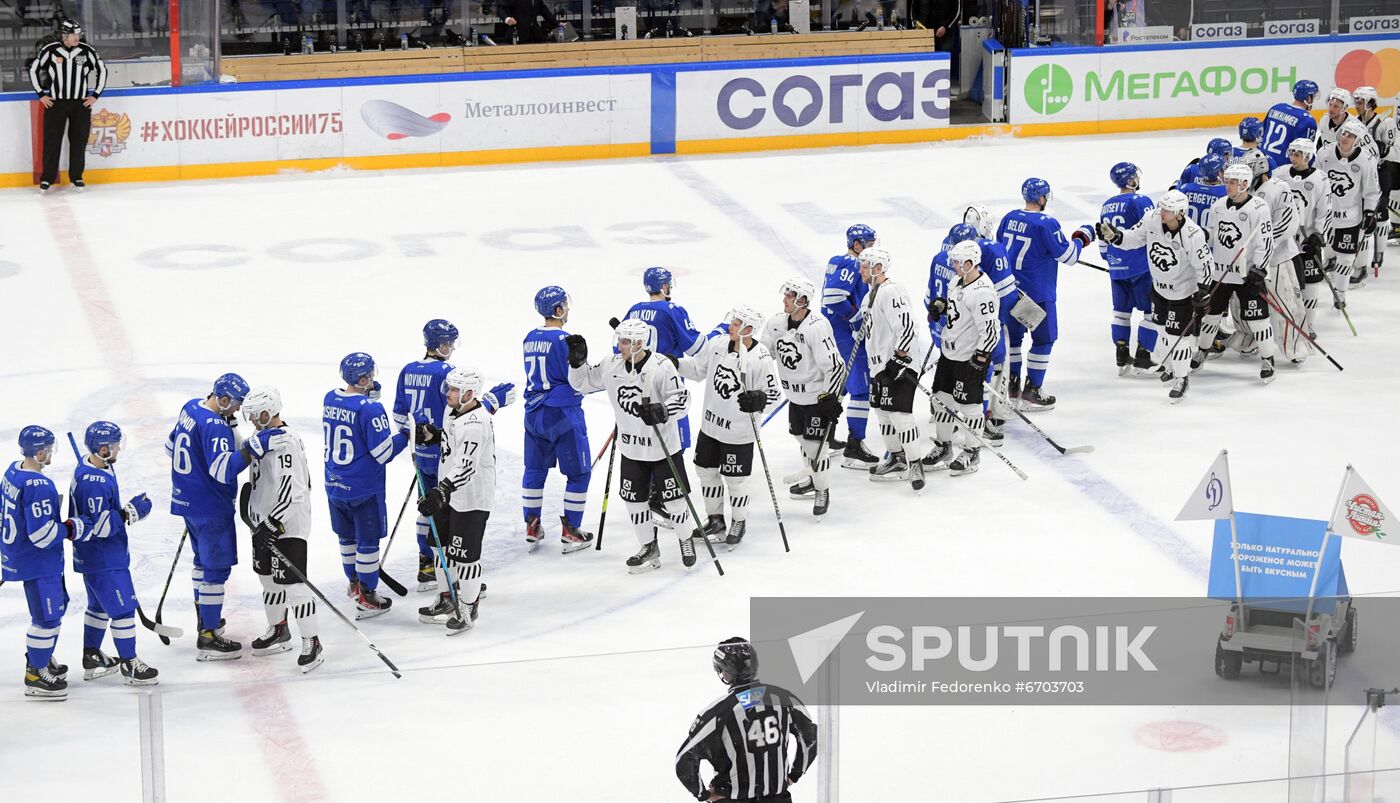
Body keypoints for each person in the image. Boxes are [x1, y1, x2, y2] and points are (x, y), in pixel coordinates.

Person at [568, 319, 699, 573]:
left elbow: (682, 400)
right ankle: (649, 546)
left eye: (625, 342)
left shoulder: (661, 367)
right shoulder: (611, 365)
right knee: (635, 503)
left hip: (663, 450)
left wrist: (663, 410)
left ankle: (685, 539)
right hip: (631, 449)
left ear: (640, 343)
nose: (620, 346)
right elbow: (583, 383)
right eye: (619, 341)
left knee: (674, 503)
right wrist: (576, 364)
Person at [167, 372, 274, 661]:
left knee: (202, 564)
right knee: (216, 571)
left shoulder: (191, 407)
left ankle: (205, 619)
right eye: (236, 404)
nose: (238, 409)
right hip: (211, 508)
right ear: (223, 399)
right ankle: (209, 634)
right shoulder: (215, 426)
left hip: (187, 502)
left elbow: (170, 445)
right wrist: (250, 449)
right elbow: (222, 471)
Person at [678, 305, 781, 550]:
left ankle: (739, 521)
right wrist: (675, 363)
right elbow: (698, 370)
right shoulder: (718, 345)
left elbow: (774, 395)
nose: (730, 326)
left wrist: (759, 399)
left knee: (736, 479)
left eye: (736, 323)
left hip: (739, 431)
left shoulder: (761, 357)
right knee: (706, 471)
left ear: (748, 329)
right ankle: (715, 521)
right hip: (710, 426)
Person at [1096, 190, 1211, 402]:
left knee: (1179, 338)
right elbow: (1133, 238)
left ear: (1179, 213)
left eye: (1167, 210)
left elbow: (1205, 266)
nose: (1162, 212)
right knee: (1162, 332)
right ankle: (1170, 366)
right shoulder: (1152, 219)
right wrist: (1116, 237)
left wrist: (1203, 291)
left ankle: (1182, 379)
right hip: (1159, 289)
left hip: (1182, 294)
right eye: (1162, 207)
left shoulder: (1193, 235)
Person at [240, 387, 324, 674]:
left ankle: (312, 642)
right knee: (267, 579)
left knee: (295, 587)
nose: (250, 420)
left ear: (267, 413)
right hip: (264, 523)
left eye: (253, 415)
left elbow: (294, 492)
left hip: (287, 525)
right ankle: (279, 630)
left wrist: (273, 522)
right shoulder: (266, 438)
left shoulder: (285, 443)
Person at [674, 637, 818, 803]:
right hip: (778, 799)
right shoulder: (785, 698)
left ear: (726, 673)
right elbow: (811, 739)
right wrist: (794, 774)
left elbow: (684, 760)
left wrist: (703, 794)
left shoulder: (720, 711)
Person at [69, 422, 159, 686]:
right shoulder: (93, 481)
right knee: (122, 611)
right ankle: (129, 664)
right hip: (103, 557)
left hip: (92, 556)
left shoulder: (96, 467)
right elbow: (100, 527)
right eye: (116, 444)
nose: (120, 447)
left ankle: (92, 656)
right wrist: (130, 512)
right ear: (103, 448)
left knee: (98, 606)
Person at [323, 353, 409, 619]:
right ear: (362, 379)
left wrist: (367, 399)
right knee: (368, 542)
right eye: (370, 375)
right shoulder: (370, 409)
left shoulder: (330, 397)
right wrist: (406, 436)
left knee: (347, 538)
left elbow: (352, 416)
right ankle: (367, 595)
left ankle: (354, 583)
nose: (373, 378)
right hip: (363, 488)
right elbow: (383, 452)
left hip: (335, 485)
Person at [997, 177, 1094, 411]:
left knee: (1014, 341)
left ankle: (1011, 387)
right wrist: (1083, 238)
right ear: (1041, 198)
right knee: (1044, 340)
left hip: (1009, 291)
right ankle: (1032, 390)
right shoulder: (1046, 223)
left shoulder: (1009, 217)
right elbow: (1069, 256)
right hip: (1037, 294)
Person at [1, 427, 84, 699]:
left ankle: (42, 656)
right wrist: (71, 528)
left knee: (56, 608)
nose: (50, 453)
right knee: (47, 618)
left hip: (20, 555)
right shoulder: (40, 486)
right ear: (38, 453)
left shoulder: (12, 472)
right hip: (38, 562)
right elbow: (42, 534)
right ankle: (35, 673)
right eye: (48, 448)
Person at [416, 368, 500, 634]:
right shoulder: (454, 411)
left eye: (453, 390)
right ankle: (446, 598)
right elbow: (452, 439)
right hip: (450, 494)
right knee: (440, 547)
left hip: (471, 498)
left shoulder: (476, 423)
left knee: (465, 557)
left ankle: (468, 605)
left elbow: (466, 466)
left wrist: (441, 491)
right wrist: (433, 435)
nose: (448, 394)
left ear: (469, 393)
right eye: (449, 388)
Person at [761, 278, 844, 517]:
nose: (784, 299)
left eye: (790, 295)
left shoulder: (816, 327)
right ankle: (813, 476)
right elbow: (764, 353)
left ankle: (822, 489)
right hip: (794, 397)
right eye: (786, 294)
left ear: (803, 300)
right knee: (800, 436)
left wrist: (830, 398)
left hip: (816, 398)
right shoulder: (776, 323)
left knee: (816, 447)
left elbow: (835, 366)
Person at [523, 287, 594, 553]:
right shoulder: (566, 339)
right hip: (562, 412)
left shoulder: (529, 338)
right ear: (558, 309)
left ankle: (531, 524)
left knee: (534, 470)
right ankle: (572, 531)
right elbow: (579, 379)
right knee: (579, 473)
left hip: (533, 413)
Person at [857, 247, 931, 490]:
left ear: (878, 268)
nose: (861, 270)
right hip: (879, 365)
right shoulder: (870, 296)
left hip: (898, 364)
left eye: (865, 265)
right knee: (882, 412)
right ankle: (897, 457)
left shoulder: (890, 290)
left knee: (900, 416)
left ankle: (915, 462)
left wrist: (899, 359)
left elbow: (908, 326)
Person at [392, 319, 458, 591]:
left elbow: (398, 414)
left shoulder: (407, 370)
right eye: (447, 343)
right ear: (437, 345)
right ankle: (448, 570)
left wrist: (416, 437)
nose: (451, 348)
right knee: (446, 509)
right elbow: (456, 414)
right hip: (441, 454)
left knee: (425, 507)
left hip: (419, 454)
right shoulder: (447, 372)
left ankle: (426, 566)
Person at [1196, 163, 1277, 384]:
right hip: (1220, 273)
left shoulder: (1259, 207)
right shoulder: (1219, 205)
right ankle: (1202, 351)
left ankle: (1268, 358)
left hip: (1247, 274)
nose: (1227, 186)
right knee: (1211, 316)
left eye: (1232, 182)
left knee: (1258, 319)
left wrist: (1259, 269)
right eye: (1227, 181)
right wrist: (1202, 235)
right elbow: (1213, 234)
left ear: (1245, 184)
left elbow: (1265, 241)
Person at [925, 240, 1000, 475]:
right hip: (949, 354)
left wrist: (979, 359)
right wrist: (942, 306)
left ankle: (971, 451)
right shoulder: (957, 281)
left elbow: (990, 330)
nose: (954, 266)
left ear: (970, 263)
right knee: (940, 400)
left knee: (970, 407)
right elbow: (957, 308)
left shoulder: (983, 292)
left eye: (957, 262)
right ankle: (944, 446)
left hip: (968, 356)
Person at [942, 220, 1020, 446]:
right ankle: (981, 420)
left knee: (963, 383)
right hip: (968, 333)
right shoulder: (976, 268)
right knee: (981, 377)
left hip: (954, 332)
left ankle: (964, 423)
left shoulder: (945, 260)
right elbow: (1002, 305)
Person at [820, 225, 879, 469]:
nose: (873, 248)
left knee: (837, 386)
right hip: (846, 336)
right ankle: (854, 444)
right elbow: (834, 297)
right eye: (869, 243)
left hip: (831, 333)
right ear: (857, 245)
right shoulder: (853, 264)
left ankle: (824, 436)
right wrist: (856, 320)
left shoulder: (837, 260)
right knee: (861, 390)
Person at [27, 19, 107, 193]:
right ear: (64, 35)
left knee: (78, 142)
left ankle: (77, 177)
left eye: (78, 34)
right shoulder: (50, 50)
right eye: (73, 34)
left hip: (80, 104)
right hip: (56, 104)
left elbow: (102, 69)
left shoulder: (86, 51)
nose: (77, 37)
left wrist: (95, 95)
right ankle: (47, 179)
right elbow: (33, 69)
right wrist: (41, 94)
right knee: (51, 142)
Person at [1243, 149, 1306, 363]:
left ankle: (1294, 346)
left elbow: (1289, 223)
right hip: (1251, 260)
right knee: (1246, 305)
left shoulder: (1279, 188)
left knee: (1287, 302)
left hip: (1277, 258)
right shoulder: (1247, 193)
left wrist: (1264, 246)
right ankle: (1248, 340)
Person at [1099, 161, 1158, 376]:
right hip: (1141, 265)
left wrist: (1110, 259)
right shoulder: (1140, 201)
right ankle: (1144, 355)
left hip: (1116, 266)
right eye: (1135, 176)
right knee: (1151, 312)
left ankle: (1121, 354)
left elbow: (1102, 237)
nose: (1138, 179)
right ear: (1130, 180)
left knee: (1121, 313)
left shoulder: (1106, 204)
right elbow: (1153, 230)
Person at [1315, 119, 1381, 307]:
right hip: (1325, 215)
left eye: (1350, 136)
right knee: (1325, 249)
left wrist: (1370, 213)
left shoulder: (1365, 160)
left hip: (1350, 217)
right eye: (1344, 133)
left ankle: (1340, 292)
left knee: (1346, 256)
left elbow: (1372, 191)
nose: (1345, 137)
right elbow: (1315, 183)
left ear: (1357, 140)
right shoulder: (1324, 153)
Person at [1280, 138, 1333, 337]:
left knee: (1311, 285)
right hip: (1285, 243)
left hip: (1307, 242)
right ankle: (1291, 321)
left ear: (1308, 157)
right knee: (1288, 286)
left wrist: (1318, 234)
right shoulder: (1281, 174)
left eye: (1298, 154)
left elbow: (1325, 210)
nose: (1293, 158)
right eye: (1291, 153)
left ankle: (1308, 325)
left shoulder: (1320, 179)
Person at [1352, 86, 1397, 271]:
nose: (1357, 105)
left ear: (1370, 103)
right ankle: (1360, 254)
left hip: (1381, 171)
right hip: (1361, 173)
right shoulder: (1354, 123)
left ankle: (1379, 253)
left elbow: (1386, 150)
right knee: (1361, 212)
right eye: (1356, 101)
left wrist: (1377, 147)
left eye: (1361, 101)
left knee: (1380, 212)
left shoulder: (1383, 124)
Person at [1261, 80, 1319, 170]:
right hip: (1284, 170)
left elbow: (1261, 135)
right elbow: (1305, 152)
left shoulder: (1276, 108)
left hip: (1263, 165)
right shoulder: (1307, 120)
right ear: (1309, 98)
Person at [1179, 153, 1228, 229]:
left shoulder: (1186, 188)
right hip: (1211, 237)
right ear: (1217, 173)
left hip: (1188, 235)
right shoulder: (1225, 192)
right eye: (1222, 169)